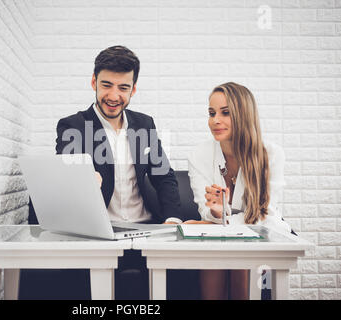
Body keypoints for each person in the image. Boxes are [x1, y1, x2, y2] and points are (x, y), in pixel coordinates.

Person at [25, 45, 183, 299]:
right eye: (106, 85)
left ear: (133, 89)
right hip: (99, 236)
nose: (113, 95)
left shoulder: (145, 124)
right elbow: (69, 172)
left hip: (146, 232)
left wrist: (174, 220)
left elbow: (164, 176)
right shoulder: (73, 126)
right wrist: (82, 180)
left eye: (123, 88)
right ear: (93, 82)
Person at [186, 82, 292, 300]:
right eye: (211, 113)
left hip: (262, 235)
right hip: (219, 239)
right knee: (213, 261)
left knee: (242, 260)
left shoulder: (271, 154)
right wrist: (215, 213)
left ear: (243, 114)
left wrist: (217, 223)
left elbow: (265, 214)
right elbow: (204, 209)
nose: (215, 120)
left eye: (225, 113)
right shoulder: (199, 154)